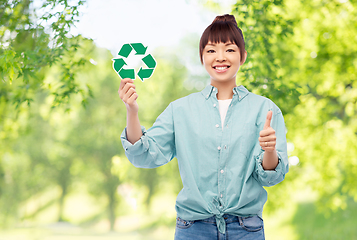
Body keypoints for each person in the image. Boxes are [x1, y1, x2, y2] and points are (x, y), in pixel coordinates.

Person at [119, 14, 288, 240]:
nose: (220, 57)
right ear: (202, 57)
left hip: (246, 230)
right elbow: (143, 155)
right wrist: (132, 111)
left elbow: (270, 178)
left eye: (229, 49)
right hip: (193, 229)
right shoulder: (180, 110)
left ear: (243, 56)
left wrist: (269, 150)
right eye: (211, 50)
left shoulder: (265, 109)